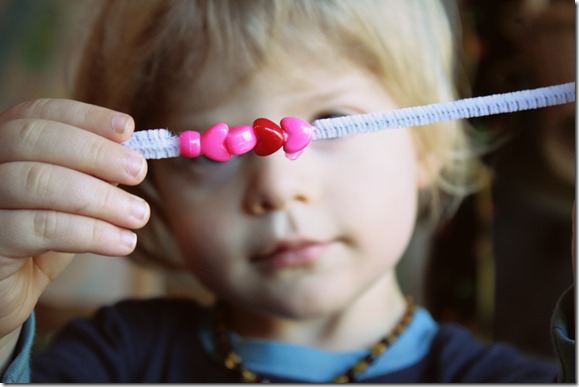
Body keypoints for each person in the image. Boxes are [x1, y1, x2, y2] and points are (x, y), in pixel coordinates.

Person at [0, 0, 574, 383]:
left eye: (331, 123)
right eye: (209, 152)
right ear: (156, 193)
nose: (276, 188)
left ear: (425, 145)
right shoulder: (116, 358)